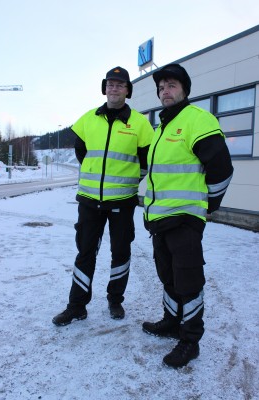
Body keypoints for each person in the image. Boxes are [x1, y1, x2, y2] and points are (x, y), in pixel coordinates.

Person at [142, 63, 234, 368]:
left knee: (188, 279)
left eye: (171, 85)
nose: (165, 92)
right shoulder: (162, 127)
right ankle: (171, 321)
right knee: (167, 275)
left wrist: (207, 206)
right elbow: (159, 178)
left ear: (184, 90)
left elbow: (222, 169)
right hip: (161, 220)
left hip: (185, 219)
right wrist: (149, 213)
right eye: (161, 87)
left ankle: (190, 339)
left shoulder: (196, 120)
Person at [53, 66, 154, 326]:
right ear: (104, 88)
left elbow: (146, 162)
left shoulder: (140, 124)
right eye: (110, 83)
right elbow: (81, 153)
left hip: (122, 201)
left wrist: (127, 180)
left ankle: (115, 299)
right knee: (85, 253)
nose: (114, 88)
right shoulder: (88, 119)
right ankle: (77, 306)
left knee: (121, 252)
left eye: (120, 84)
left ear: (128, 90)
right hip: (89, 200)